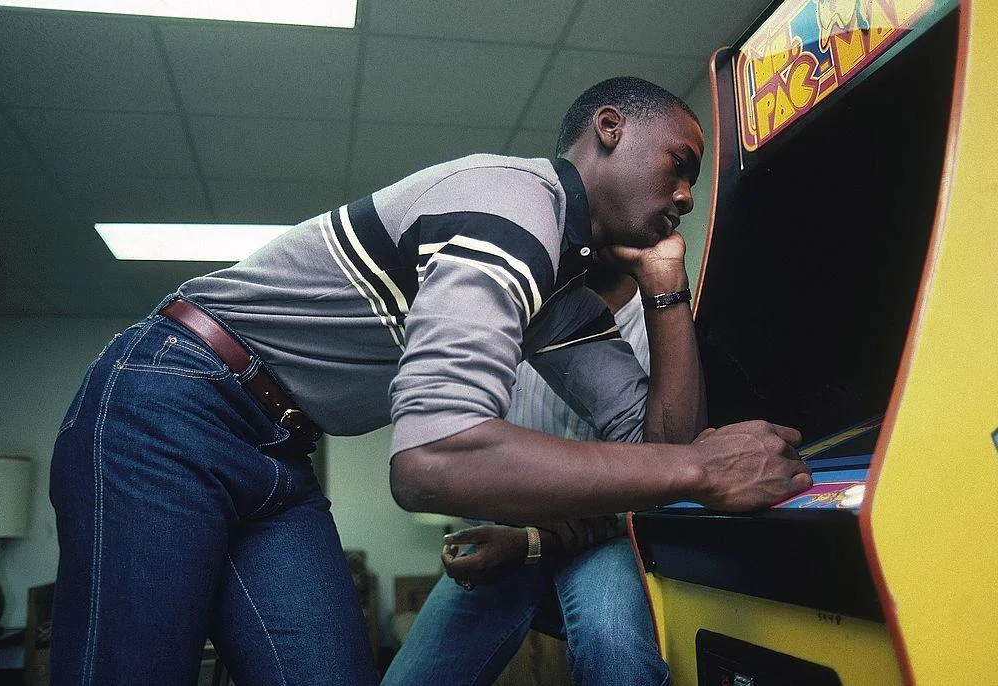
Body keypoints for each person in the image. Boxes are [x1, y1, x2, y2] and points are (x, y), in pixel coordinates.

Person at [49, 76, 812, 685]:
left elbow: (660, 447)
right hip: (175, 402)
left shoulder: (557, 287)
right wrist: (702, 468)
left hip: (277, 449)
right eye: (680, 167)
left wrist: (666, 287)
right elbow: (432, 461)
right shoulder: (510, 205)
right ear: (610, 128)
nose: (685, 197)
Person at [383, 265, 669, 685]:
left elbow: (662, 475)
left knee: (616, 652)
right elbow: (456, 454)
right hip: (504, 527)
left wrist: (532, 541)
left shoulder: (660, 329)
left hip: (607, 542)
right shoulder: (510, 308)